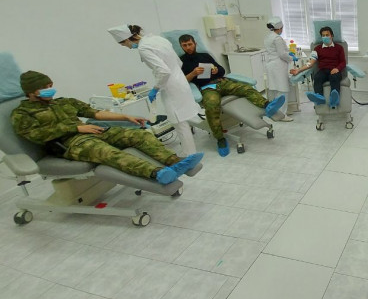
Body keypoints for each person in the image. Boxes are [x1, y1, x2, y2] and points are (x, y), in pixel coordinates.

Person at [11, 71, 203, 185]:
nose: (50, 89)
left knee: (139, 135)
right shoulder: (22, 113)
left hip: (92, 130)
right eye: (44, 87)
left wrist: (126, 116)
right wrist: (76, 129)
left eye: (50, 85)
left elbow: (95, 113)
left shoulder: (63, 102)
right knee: (108, 152)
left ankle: (174, 161)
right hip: (68, 144)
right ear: (31, 92)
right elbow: (34, 135)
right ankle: (157, 173)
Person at [178, 34, 286, 157]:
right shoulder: (181, 62)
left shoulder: (205, 56)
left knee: (246, 88)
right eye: (184, 45)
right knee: (211, 107)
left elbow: (222, 70)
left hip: (222, 82)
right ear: (181, 46)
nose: (188, 47)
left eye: (190, 44)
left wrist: (216, 70)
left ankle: (267, 106)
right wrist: (193, 73)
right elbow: (182, 81)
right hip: (207, 88)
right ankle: (220, 139)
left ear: (195, 44)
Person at [107, 24, 200, 157]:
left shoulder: (143, 48)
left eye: (124, 45)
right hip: (180, 81)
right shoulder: (157, 39)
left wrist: (155, 89)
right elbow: (178, 62)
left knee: (179, 122)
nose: (127, 47)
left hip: (171, 86)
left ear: (127, 39)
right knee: (182, 120)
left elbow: (163, 71)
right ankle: (190, 153)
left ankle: (189, 155)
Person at [289, 26, 346, 109]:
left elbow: (343, 62)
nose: (325, 37)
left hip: (335, 70)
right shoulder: (317, 49)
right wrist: (298, 70)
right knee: (317, 77)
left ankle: (334, 100)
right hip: (323, 70)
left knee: (334, 77)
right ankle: (319, 98)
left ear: (332, 36)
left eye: (327, 35)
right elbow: (310, 63)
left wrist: (337, 68)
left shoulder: (339, 48)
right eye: (323, 35)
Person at [263, 16, 294, 121]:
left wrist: (287, 53)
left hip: (271, 65)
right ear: (280, 27)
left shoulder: (268, 37)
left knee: (276, 91)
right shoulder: (277, 38)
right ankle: (282, 115)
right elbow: (282, 54)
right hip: (278, 66)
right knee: (283, 90)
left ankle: (278, 112)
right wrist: (291, 58)